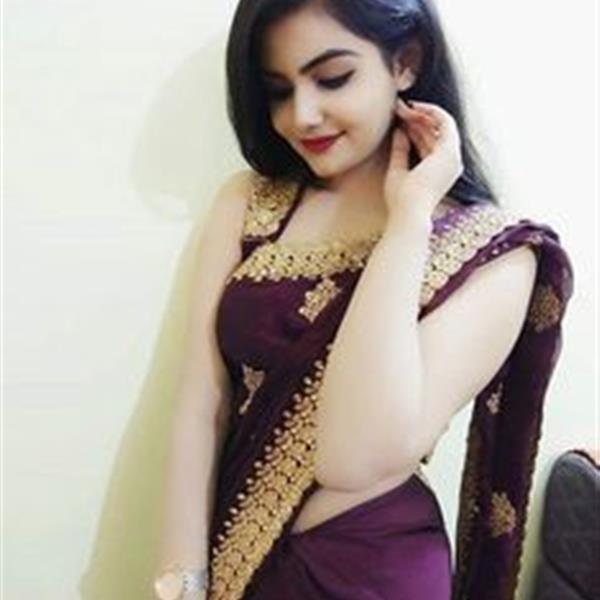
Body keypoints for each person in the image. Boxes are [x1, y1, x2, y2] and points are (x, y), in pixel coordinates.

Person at [153, 1, 574, 599]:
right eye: (278, 91)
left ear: (406, 62)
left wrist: (409, 221)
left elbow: (353, 457)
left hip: (374, 573)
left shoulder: (495, 257)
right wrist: (181, 585)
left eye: (333, 78)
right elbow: (202, 401)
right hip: (232, 565)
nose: (301, 116)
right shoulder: (251, 205)